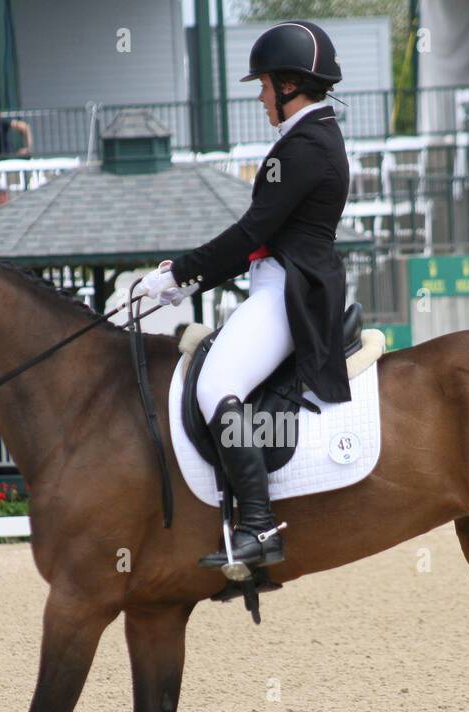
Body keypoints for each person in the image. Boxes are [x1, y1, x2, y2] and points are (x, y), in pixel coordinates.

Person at [139, 19, 349, 572]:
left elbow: (248, 234)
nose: (259, 96)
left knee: (216, 384)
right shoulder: (308, 138)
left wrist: (176, 279)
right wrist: (180, 273)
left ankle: (258, 525)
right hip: (276, 284)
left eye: (263, 85)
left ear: (290, 84)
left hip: (290, 293)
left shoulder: (306, 146)